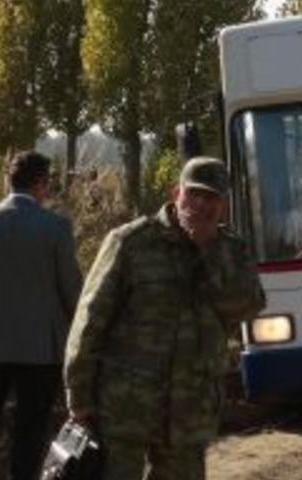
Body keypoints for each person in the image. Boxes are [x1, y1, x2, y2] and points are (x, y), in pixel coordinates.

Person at [63, 157, 266, 479]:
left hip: (190, 410)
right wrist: (79, 398)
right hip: (125, 407)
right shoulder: (130, 242)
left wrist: (208, 252)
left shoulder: (232, 251)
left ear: (223, 206)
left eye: (211, 197)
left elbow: (248, 306)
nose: (200, 204)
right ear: (176, 193)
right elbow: (89, 322)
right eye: (194, 194)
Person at [0, 151, 82, 480]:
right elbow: (71, 289)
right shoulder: (55, 227)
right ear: (41, 184)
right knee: (30, 431)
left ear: (9, 180)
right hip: (40, 347)